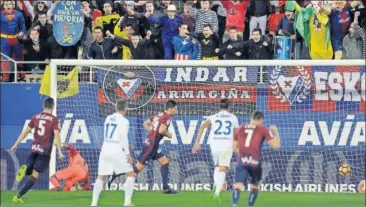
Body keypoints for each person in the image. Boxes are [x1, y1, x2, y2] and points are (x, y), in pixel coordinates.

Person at [11, 97, 64, 204]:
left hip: (34, 149)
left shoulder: (35, 117)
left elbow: (25, 132)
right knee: (34, 176)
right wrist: (59, 151)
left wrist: (16, 144)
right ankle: (18, 196)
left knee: (29, 171)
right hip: (44, 151)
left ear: (43, 106)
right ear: (53, 106)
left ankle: (26, 168)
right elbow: (57, 135)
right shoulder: (54, 119)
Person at [192, 99, 239, 204]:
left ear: (219, 107)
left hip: (214, 145)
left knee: (217, 167)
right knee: (223, 168)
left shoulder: (213, 117)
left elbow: (202, 127)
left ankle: (215, 186)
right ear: (228, 107)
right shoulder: (233, 117)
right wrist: (236, 146)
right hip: (226, 145)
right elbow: (237, 134)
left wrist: (197, 142)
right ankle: (217, 192)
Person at [91, 100, 136, 206]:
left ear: (116, 108)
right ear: (126, 108)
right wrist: (128, 154)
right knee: (131, 175)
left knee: (100, 177)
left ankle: (93, 204)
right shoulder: (124, 121)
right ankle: (127, 203)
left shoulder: (108, 118)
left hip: (105, 148)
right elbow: (124, 138)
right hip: (116, 150)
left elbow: (112, 135)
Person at [231, 111, 281, 206]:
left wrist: (243, 155)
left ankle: (234, 204)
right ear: (261, 119)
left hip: (242, 160)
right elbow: (276, 146)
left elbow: (234, 148)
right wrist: (275, 131)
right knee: (255, 186)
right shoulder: (263, 129)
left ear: (252, 117)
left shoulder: (240, 128)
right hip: (255, 161)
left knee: (238, 185)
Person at [134, 100, 178, 194]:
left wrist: (151, 131)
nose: (176, 110)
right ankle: (118, 172)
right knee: (137, 169)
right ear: (170, 109)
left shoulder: (158, 115)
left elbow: (145, 123)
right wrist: (169, 134)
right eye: (175, 108)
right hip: (152, 146)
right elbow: (162, 130)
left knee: (164, 161)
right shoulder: (167, 117)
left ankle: (166, 188)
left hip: (151, 143)